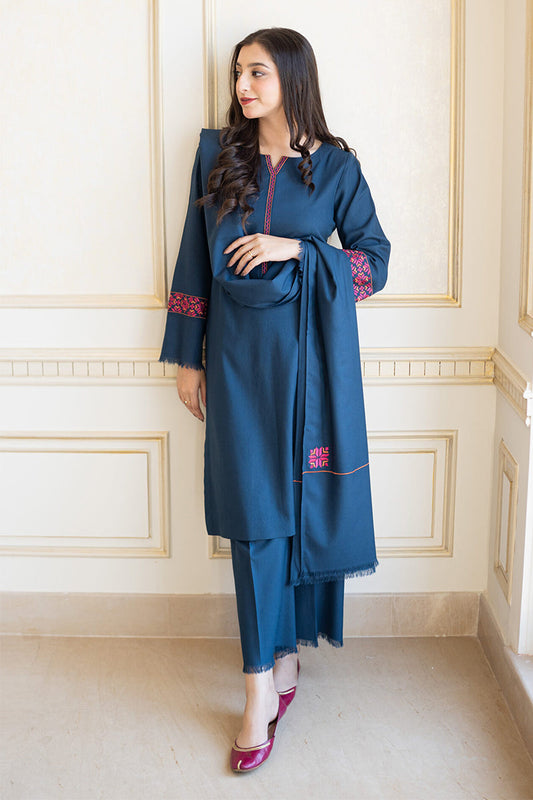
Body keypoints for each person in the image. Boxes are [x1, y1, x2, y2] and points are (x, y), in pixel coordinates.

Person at [158, 27, 391, 772]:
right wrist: (186, 357)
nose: (242, 86)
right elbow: (193, 259)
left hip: (313, 369)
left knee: (300, 510)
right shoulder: (215, 154)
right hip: (234, 364)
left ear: (292, 77)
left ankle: (285, 656)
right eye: (238, 73)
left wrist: (300, 249)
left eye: (257, 72)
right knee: (255, 517)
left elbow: (374, 264)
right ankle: (257, 686)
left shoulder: (337, 167)